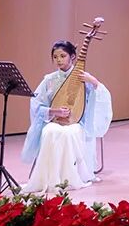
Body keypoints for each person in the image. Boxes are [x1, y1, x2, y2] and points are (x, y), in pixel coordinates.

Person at [21, 40, 112, 193]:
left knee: (69, 134)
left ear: (73, 57)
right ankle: (48, 178)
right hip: (54, 121)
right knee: (49, 131)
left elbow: (101, 97)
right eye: (55, 57)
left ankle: (70, 177)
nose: (59, 60)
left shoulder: (84, 78)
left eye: (63, 56)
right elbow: (36, 104)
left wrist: (94, 82)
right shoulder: (49, 80)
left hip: (78, 122)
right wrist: (54, 111)